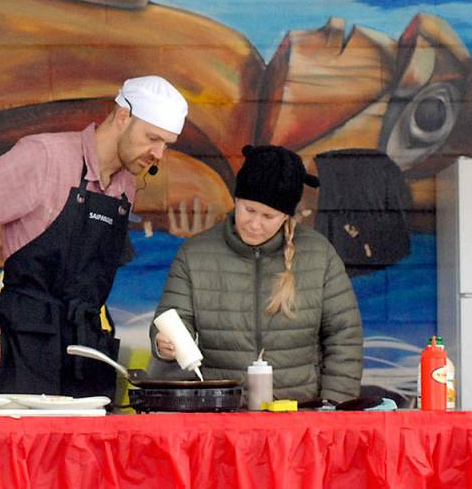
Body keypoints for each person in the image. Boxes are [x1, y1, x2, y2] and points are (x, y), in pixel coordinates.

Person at [0, 75, 188, 399]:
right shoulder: (44, 157)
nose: (159, 154)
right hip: (28, 346)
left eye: (166, 144)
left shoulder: (126, 184)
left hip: (90, 349)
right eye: (153, 138)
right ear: (123, 116)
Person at [150, 144, 363, 403]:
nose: (254, 223)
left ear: (286, 216)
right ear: (236, 200)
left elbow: (344, 338)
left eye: (268, 215)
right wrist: (165, 344)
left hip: (300, 416)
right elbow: (172, 319)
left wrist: (332, 409)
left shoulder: (319, 255)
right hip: (221, 414)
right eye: (248, 210)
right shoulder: (194, 254)